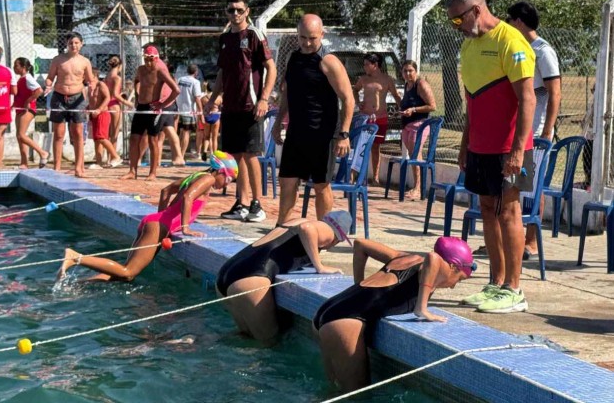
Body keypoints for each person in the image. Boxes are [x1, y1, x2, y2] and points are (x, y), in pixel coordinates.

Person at [447, 0, 536, 313]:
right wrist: (465, 144)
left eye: (458, 21)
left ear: (476, 11)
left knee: (509, 211)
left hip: (508, 147)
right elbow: (473, 101)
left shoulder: (511, 41)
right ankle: (496, 283)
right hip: (480, 146)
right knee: (487, 207)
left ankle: (515, 289)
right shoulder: (470, 47)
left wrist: (516, 150)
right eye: (452, 24)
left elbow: (527, 98)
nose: (456, 28)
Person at [314, 236, 475, 391]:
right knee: (358, 398)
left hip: (330, 309)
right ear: (452, 266)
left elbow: (360, 244)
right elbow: (433, 258)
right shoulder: (427, 265)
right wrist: (422, 308)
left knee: (334, 392)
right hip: (344, 321)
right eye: (459, 279)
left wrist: (358, 287)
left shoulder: (404, 258)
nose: (453, 286)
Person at [59, 151, 238, 281]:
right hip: (158, 226)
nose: (226, 185)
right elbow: (188, 197)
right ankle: (75, 257)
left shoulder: (197, 176)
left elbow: (165, 190)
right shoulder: (209, 179)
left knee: (125, 275)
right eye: (228, 180)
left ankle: (83, 283)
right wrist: (185, 227)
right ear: (220, 171)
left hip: (155, 223)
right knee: (128, 271)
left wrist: (161, 216)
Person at [216, 210, 351, 343]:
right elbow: (307, 229)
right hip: (250, 279)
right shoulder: (327, 230)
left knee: (245, 336)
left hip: (228, 272)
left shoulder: (296, 221)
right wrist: (320, 267)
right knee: (267, 344)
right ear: (338, 237)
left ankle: (203, 342)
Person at [273, 14, 355, 225]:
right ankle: (282, 227)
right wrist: (277, 123)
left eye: (312, 38)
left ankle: (324, 232)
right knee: (287, 181)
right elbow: (287, 94)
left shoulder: (328, 61)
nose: (307, 43)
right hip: (296, 131)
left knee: (321, 185)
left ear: (322, 34)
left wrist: (343, 134)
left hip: (322, 134)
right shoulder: (293, 57)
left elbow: (348, 99)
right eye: (302, 38)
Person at [204, 0, 277, 223]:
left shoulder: (254, 35)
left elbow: (271, 68)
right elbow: (222, 73)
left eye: (239, 10)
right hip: (230, 107)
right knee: (235, 157)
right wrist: (212, 98)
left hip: (251, 105)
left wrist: (264, 98)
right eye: (231, 10)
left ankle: (257, 204)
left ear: (247, 11)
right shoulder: (225, 39)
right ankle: (242, 203)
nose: (235, 14)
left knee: (252, 154)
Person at [506, 1, 562, 259]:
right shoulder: (518, 50)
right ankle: (509, 239)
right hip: (518, 132)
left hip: (537, 134)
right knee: (512, 187)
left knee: (533, 187)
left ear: (519, 22)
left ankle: (531, 241)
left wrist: (547, 131)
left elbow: (555, 93)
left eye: (510, 20)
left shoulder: (543, 51)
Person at [121, 45, 179, 181]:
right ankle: (132, 171)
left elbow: (176, 90)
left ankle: (153, 173)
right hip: (141, 107)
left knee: (153, 140)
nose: (148, 63)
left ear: (156, 59)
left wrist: (162, 104)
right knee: (134, 138)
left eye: (151, 60)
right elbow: (136, 81)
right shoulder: (140, 70)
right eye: (146, 59)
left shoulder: (160, 70)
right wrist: (136, 95)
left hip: (154, 109)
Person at [44, 32, 95, 177]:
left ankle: (79, 167)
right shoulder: (58, 60)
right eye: (71, 43)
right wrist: (48, 85)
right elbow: (50, 78)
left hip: (77, 98)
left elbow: (91, 79)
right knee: (59, 134)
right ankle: (57, 168)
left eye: (76, 43)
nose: (74, 45)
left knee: (78, 133)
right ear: (67, 44)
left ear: (81, 44)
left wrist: (91, 86)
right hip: (59, 97)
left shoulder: (85, 62)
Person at [353, 53, 398, 185]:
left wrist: (403, 106)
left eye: (367, 64)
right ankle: (359, 175)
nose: (365, 67)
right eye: (364, 64)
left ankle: (376, 177)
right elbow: (355, 90)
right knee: (361, 145)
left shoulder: (387, 79)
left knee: (376, 147)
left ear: (375, 65)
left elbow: (396, 95)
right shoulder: (363, 79)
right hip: (366, 117)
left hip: (381, 117)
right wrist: (358, 102)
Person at [395, 59, 437, 200]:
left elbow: (432, 106)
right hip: (407, 124)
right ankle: (416, 186)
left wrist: (413, 109)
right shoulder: (407, 85)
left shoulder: (421, 84)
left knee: (416, 155)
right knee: (412, 155)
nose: (408, 73)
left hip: (420, 124)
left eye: (410, 71)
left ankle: (419, 188)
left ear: (416, 71)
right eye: (405, 71)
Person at [12, 57, 49, 169]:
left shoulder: (28, 77)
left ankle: (42, 153)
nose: (14, 67)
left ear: (23, 67)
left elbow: (39, 90)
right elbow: (21, 94)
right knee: (19, 137)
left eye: (16, 65)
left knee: (21, 135)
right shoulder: (21, 79)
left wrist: (28, 101)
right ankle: (24, 163)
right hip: (20, 109)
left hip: (28, 110)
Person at [88, 66, 122, 169]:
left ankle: (116, 157)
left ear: (94, 75)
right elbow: (92, 101)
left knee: (102, 137)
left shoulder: (101, 84)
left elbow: (107, 98)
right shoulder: (90, 87)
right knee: (97, 139)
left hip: (102, 114)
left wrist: (99, 109)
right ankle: (99, 163)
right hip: (93, 116)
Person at [104, 55, 134, 152]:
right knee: (114, 134)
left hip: (107, 104)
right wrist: (127, 103)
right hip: (114, 105)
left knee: (108, 133)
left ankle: (109, 157)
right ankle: (113, 157)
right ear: (120, 65)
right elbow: (115, 94)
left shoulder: (107, 76)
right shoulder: (117, 78)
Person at [176, 64, 204, 158]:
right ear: (196, 72)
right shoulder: (195, 82)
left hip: (178, 110)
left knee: (180, 132)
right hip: (189, 111)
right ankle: (181, 156)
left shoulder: (180, 79)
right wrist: (201, 113)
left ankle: (178, 154)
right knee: (186, 133)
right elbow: (197, 98)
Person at [202, 81, 222, 160]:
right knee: (214, 138)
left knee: (206, 137)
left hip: (207, 117)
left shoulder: (203, 98)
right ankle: (214, 154)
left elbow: (202, 109)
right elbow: (221, 107)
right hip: (216, 116)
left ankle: (204, 150)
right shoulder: (219, 98)